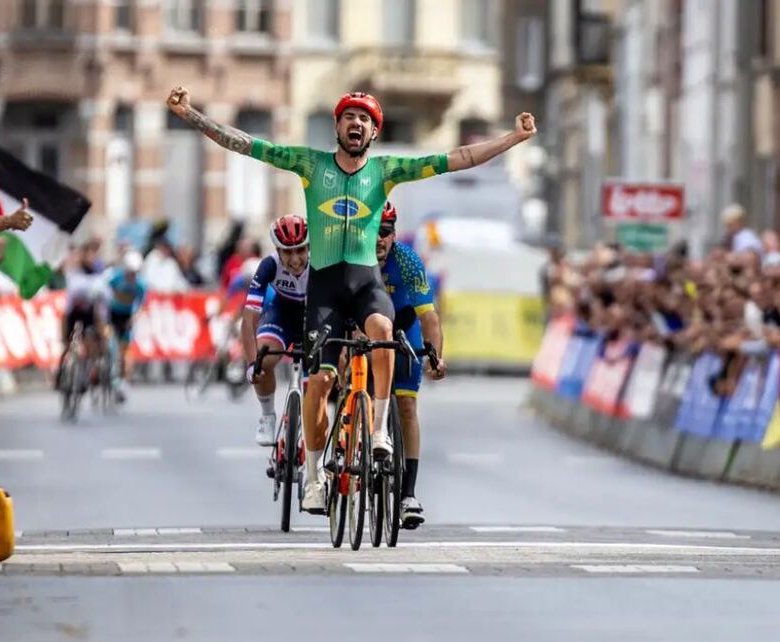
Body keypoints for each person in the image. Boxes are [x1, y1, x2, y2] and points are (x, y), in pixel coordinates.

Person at [168, 85, 536, 513]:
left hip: (365, 284)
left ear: (374, 132)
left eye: (365, 120)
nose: (356, 124)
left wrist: (513, 139)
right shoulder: (311, 164)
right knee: (320, 381)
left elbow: (457, 159)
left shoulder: (386, 170)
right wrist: (191, 114)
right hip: (324, 288)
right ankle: (312, 478)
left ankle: (378, 432)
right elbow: (249, 146)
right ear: (337, 126)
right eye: (349, 117)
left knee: (382, 334)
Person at [375, 202, 446, 529]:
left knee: (406, 407)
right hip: (365, 326)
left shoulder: (406, 260)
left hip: (404, 326)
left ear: (394, 233)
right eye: (373, 230)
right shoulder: (354, 256)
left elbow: (429, 317)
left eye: (386, 232)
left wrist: (435, 356)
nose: (379, 239)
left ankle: (408, 494)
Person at [242, 215, 310, 447]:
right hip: (282, 314)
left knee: (323, 381)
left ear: (309, 247)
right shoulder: (269, 265)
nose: (294, 259)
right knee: (263, 357)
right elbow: (249, 318)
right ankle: (268, 415)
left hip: (313, 317)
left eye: (300, 250)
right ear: (277, 251)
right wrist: (252, 364)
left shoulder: (321, 262)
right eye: (287, 252)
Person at [56, 240, 109, 391]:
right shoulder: (74, 272)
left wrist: (102, 326)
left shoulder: (98, 274)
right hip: (73, 311)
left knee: (90, 340)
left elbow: (102, 303)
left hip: (90, 313)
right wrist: (63, 332)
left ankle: (87, 371)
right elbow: (67, 306)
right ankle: (61, 372)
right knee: (67, 344)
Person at [106, 250, 147, 401]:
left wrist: (134, 318)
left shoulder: (141, 285)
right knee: (109, 343)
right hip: (112, 313)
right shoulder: (116, 278)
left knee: (125, 351)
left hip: (126, 317)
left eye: (135, 274)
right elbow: (105, 293)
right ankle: (104, 369)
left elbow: (141, 306)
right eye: (130, 273)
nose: (132, 277)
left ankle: (122, 380)